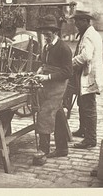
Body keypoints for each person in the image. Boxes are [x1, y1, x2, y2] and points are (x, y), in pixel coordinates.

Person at [33, 14, 73, 165]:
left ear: (55, 32)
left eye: (48, 34)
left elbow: (68, 72)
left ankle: (43, 150)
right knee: (57, 114)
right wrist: (40, 70)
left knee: (45, 113)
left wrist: (48, 77)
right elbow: (45, 63)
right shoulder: (46, 46)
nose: (45, 37)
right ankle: (62, 148)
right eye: (44, 34)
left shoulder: (64, 48)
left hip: (58, 84)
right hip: (47, 83)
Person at [70, 10, 103, 149]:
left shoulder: (89, 35)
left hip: (89, 76)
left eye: (78, 21)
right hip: (85, 75)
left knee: (88, 107)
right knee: (82, 103)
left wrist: (70, 63)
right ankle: (83, 129)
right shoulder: (88, 33)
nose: (76, 24)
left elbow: (86, 56)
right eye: (75, 21)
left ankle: (90, 139)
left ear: (85, 21)